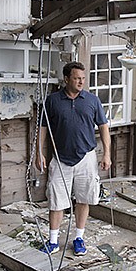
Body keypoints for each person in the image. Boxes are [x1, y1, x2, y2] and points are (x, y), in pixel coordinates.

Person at [36, 61, 111, 256]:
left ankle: (79, 238)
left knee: (84, 199)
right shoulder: (52, 101)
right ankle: (53, 242)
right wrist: (38, 153)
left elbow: (103, 128)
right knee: (56, 200)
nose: (81, 82)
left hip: (86, 157)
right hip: (60, 158)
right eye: (77, 78)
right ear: (66, 79)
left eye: (83, 79)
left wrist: (107, 154)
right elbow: (42, 128)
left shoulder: (92, 101)